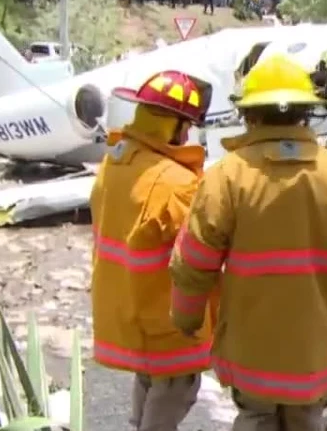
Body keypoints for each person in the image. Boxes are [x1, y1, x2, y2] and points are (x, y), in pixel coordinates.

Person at [169, 54, 327, 431]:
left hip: (251, 354)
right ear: (304, 114)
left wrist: (186, 317)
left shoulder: (227, 177)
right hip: (315, 353)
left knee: (254, 420)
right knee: (307, 421)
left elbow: (193, 262)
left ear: (250, 116)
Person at [91, 70, 218, 431]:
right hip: (167, 315)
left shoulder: (114, 163)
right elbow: (199, 252)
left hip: (124, 302)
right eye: (187, 125)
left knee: (148, 377)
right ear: (175, 125)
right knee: (177, 386)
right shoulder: (176, 183)